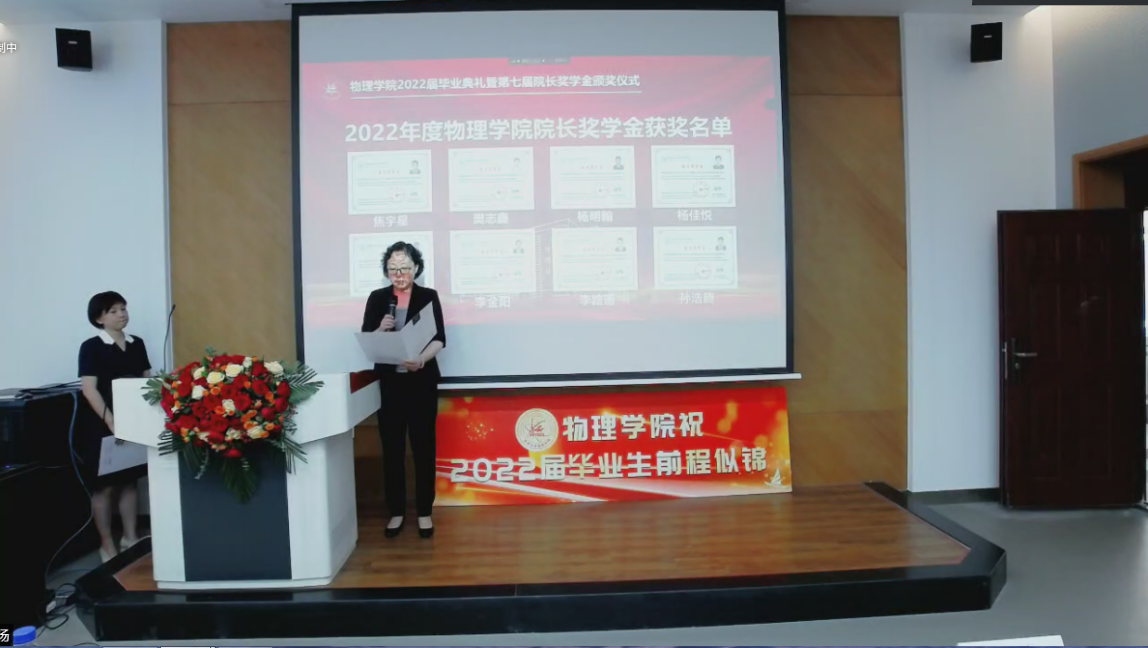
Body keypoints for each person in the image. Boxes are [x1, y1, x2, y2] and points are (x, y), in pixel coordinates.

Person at [360, 242, 447, 539]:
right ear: (386, 271)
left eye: (405, 268)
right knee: (392, 450)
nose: (399, 274)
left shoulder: (428, 296)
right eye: (393, 269)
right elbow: (368, 340)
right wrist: (380, 329)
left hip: (421, 383)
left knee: (424, 448)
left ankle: (424, 512)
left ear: (416, 268)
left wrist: (421, 359)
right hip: (390, 385)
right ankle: (396, 511)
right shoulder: (378, 298)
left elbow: (439, 339)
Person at [77, 291, 151, 562]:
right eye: (114, 311)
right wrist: (110, 420)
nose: (122, 314)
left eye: (123, 308)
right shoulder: (91, 346)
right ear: (99, 318)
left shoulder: (137, 343)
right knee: (105, 487)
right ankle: (107, 544)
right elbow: (89, 389)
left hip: (132, 421)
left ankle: (130, 537)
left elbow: (146, 380)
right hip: (101, 423)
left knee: (129, 482)